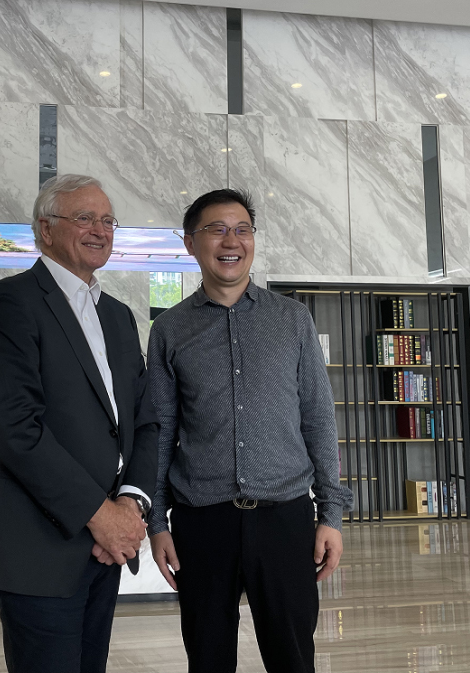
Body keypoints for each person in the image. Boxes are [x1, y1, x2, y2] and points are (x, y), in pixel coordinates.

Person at [0, 174, 159, 673]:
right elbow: (16, 430)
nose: (100, 230)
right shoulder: (8, 303)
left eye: (108, 220)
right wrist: (101, 515)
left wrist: (130, 505)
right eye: (84, 218)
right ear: (46, 229)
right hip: (39, 545)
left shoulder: (118, 316)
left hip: (106, 546)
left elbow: (144, 422)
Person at [147, 188, 353, 673]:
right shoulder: (169, 330)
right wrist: (157, 523)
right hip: (202, 522)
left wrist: (331, 514)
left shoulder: (292, 319)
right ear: (190, 243)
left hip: (285, 519)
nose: (231, 241)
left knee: (293, 659)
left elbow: (318, 417)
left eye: (242, 229)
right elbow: (160, 431)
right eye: (216, 229)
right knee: (208, 658)